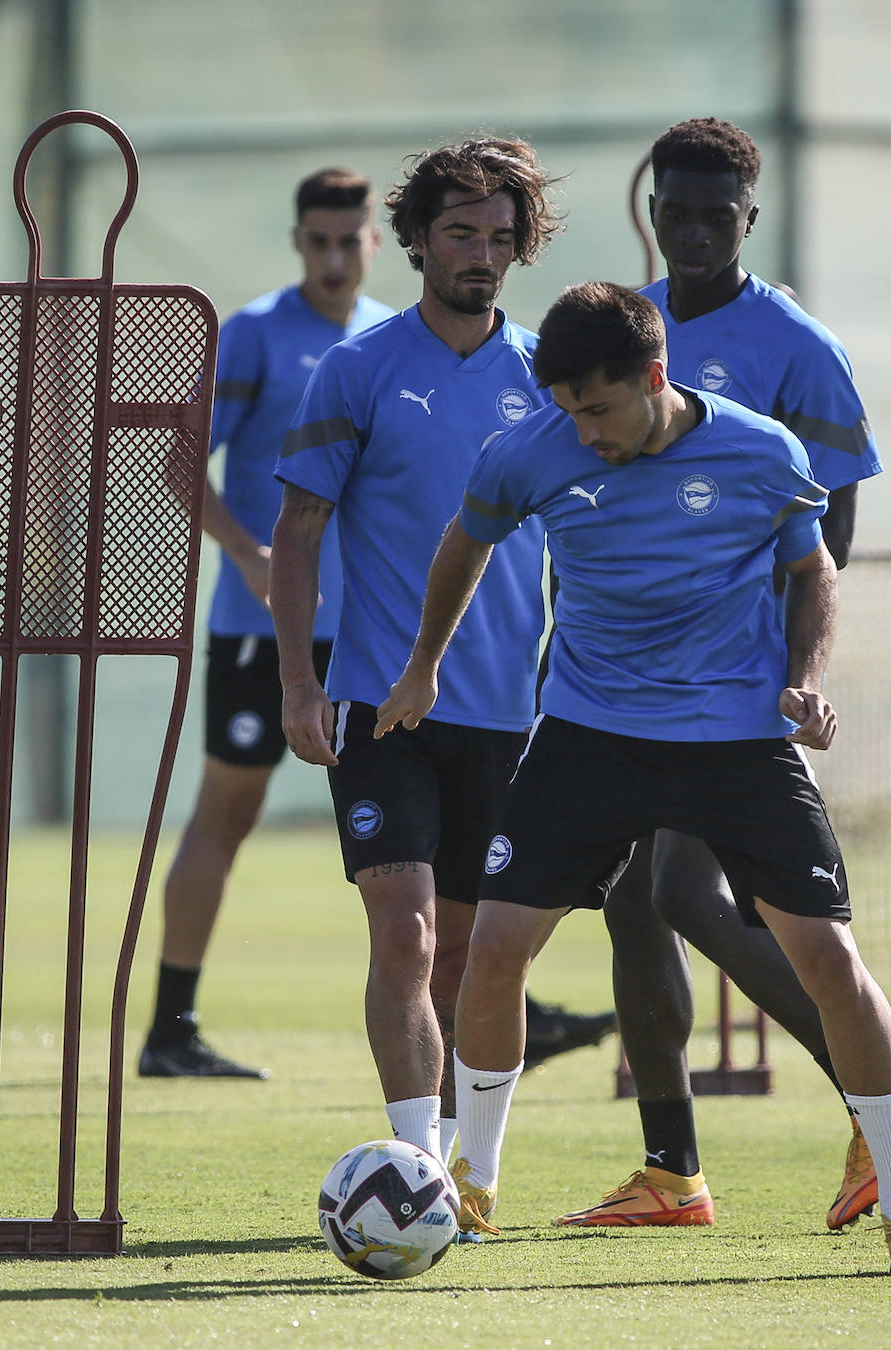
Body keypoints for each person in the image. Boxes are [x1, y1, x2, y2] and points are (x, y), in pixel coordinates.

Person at [380, 281, 891, 1277]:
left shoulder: (762, 450)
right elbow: (464, 540)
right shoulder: (530, 451)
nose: (583, 432)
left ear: (655, 377)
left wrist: (804, 682)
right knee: (498, 948)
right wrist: (424, 663)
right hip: (588, 734)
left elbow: (814, 571)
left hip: (735, 740)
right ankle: (469, 1188)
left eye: (598, 408)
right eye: (567, 412)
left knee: (827, 959)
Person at [555, 118, 891, 1230]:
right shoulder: (625, 328)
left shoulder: (798, 347)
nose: (689, 228)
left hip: (735, 685)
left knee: (678, 892)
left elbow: (833, 529)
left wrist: (781, 665)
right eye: (672, 210)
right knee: (634, 902)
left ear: (748, 219)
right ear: (654, 211)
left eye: (712, 214)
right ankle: (673, 1172)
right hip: (627, 679)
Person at [270, 137, 611, 1166]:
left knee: (467, 958)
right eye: (459, 232)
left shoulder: (550, 377)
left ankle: (463, 1170)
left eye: (499, 238)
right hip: (381, 707)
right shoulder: (357, 368)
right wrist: (300, 682)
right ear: (415, 240)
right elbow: (298, 530)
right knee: (407, 933)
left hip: (508, 713)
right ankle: (414, 1165)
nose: (480, 253)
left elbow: (589, 535)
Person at [138, 168, 393, 1079]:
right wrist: (250, 555)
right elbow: (177, 460)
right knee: (227, 812)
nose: (333, 257)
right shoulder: (251, 335)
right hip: (259, 628)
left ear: (374, 241)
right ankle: (171, 1028)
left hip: (367, 632)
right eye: (318, 240)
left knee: (409, 829)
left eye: (348, 240)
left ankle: (485, 1009)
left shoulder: (389, 340)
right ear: (298, 242)